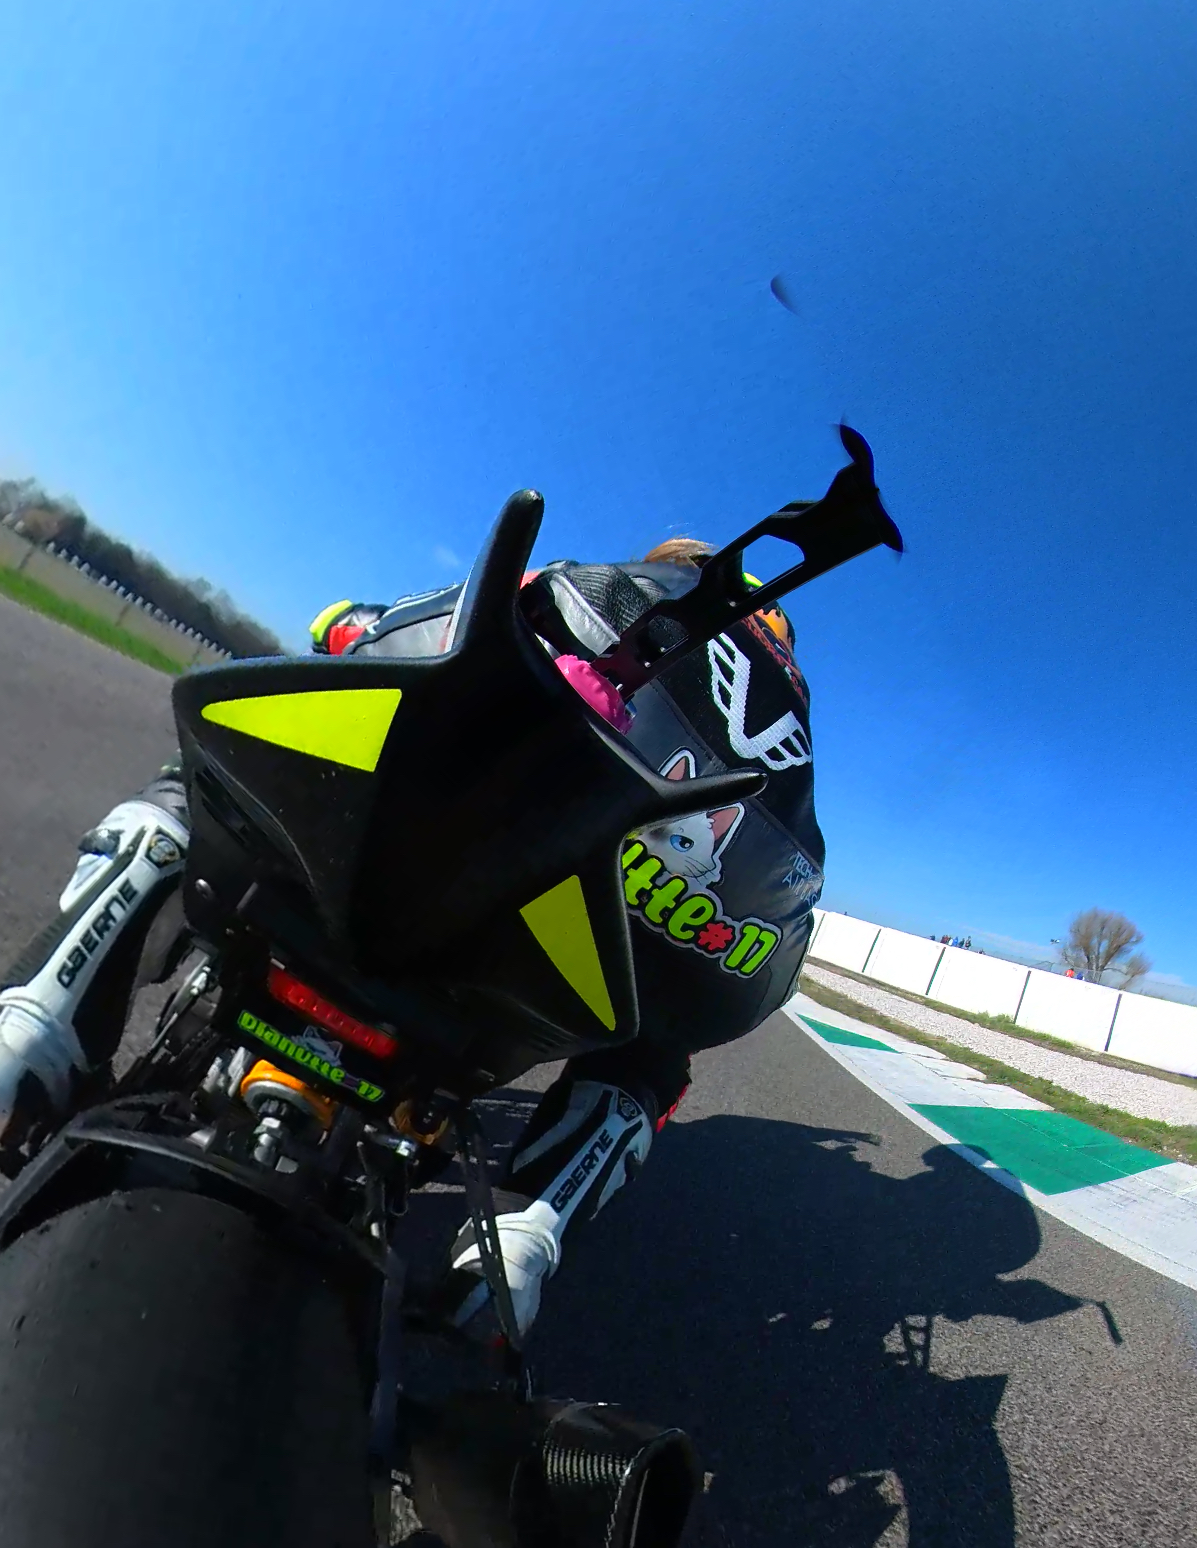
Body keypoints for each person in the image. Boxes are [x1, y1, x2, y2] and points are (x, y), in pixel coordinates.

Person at [0, 536, 823, 1341]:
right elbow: (764, 949)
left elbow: (394, 634)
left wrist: (341, 627)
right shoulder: (786, 738)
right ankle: (524, 1239)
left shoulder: (600, 587)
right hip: (544, 949)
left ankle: (35, 1025)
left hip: (402, 852)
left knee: (197, 790)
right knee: (650, 1048)